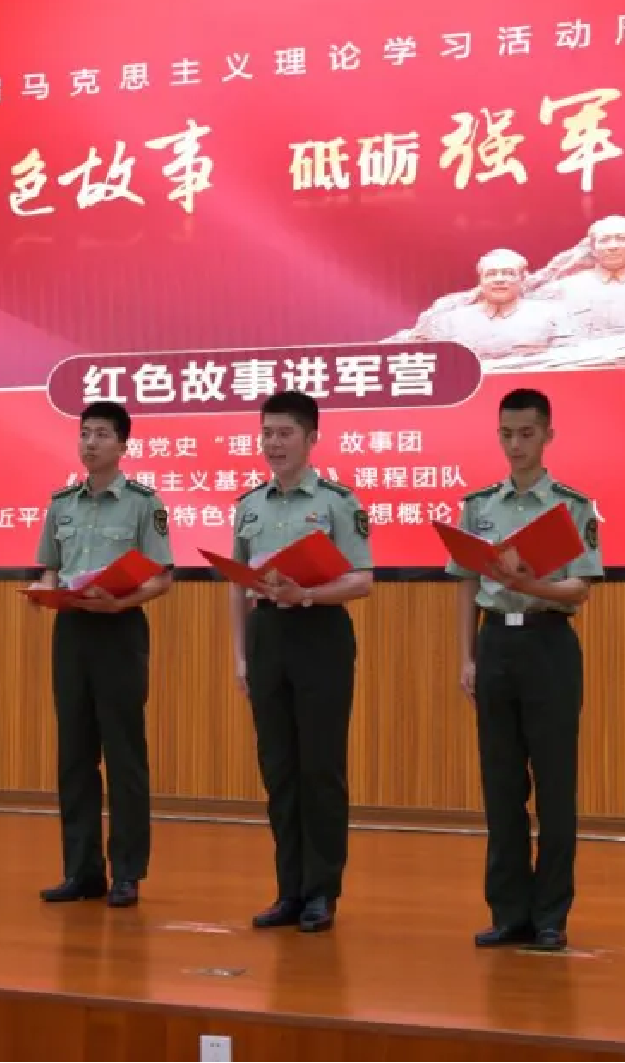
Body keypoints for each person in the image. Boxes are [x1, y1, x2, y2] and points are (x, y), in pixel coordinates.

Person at [448, 388, 603, 951]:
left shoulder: (572, 507)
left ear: (547, 435)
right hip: (496, 644)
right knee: (501, 784)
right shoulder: (478, 507)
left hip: (549, 643)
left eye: (527, 434)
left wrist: (530, 584)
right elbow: (466, 584)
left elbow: (579, 588)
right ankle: (509, 910)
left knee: (555, 785)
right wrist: (467, 656)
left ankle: (551, 915)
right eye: (507, 435)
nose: (515, 445)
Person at [228, 390, 373, 933]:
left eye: (285, 433)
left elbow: (361, 581)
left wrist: (307, 594)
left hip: (320, 634)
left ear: (311, 438)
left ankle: (321, 892)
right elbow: (238, 584)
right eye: (267, 433)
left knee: (320, 768)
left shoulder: (338, 502)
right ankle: (288, 890)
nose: (273, 443)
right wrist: (241, 654)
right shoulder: (249, 505)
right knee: (279, 768)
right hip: (267, 636)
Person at [32, 401, 175, 908]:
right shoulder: (61, 503)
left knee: (123, 753)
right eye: (85, 433)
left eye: (101, 435)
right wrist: (44, 589)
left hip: (119, 629)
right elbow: (51, 566)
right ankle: (81, 870)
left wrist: (122, 601)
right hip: (72, 630)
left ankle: (128, 872)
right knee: (75, 753)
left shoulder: (143, 504)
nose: (90, 443)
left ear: (122, 445)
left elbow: (162, 577)